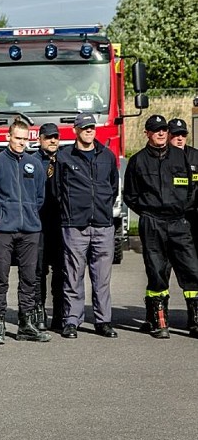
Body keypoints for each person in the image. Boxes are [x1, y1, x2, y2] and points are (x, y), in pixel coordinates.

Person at [123, 114, 198, 339]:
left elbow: (192, 188)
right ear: (147, 133)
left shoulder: (180, 157)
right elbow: (130, 195)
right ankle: (158, 320)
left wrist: (181, 209)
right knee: (156, 271)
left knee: (192, 270)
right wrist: (148, 213)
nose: (161, 133)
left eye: (164, 129)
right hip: (153, 222)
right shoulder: (138, 161)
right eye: (156, 130)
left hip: (178, 221)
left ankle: (195, 320)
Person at [0, 119, 51, 344]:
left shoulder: (35, 164)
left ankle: (25, 323)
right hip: (3, 230)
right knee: (1, 278)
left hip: (30, 230)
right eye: (17, 138)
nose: (21, 142)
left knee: (29, 278)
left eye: (24, 138)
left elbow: (39, 196)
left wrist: (29, 214)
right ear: (8, 137)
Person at [52, 114, 119, 339]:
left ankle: (103, 321)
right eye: (85, 128)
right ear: (75, 130)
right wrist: (70, 212)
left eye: (92, 127)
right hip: (75, 225)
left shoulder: (107, 156)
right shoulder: (64, 157)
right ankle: (72, 320)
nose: (89, 131)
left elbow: (113, 187)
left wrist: (103, 209)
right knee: (73, 275)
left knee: (101, 278)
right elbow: (57, 191)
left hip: (102, 224)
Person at [33, 123, 66, 332]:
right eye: (48, 137)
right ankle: (39, 312)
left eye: (55, 137)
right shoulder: (32, 162)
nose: (52, 141)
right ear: (40, 139)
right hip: (38, 224)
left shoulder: (66, 160)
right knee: (38, 271)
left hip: (61, 223)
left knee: (61, 270)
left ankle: (60, 313)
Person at [168, 118, 198, 247]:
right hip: (168, 216)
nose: (180, 138)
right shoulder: (161, 157)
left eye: (183, 135)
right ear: (168, 135)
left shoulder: (195, 156)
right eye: (175, 134)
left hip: (191, 216)